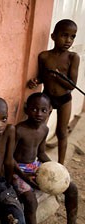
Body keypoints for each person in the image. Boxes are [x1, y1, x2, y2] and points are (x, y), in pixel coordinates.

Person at [13, 92, 78, 224]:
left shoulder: (44, 129)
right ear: (27, 109)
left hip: (34, 167)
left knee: (71, 187)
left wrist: (56, 168)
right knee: (31, 201)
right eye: (34, 109)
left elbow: (41, 153)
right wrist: (24, 177)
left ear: (49, 111)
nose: (39, 114)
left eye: (44, 110)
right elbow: (8, 158)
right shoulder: (19, 130)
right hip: (18, 170)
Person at [28, 19, 80, 165]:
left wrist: (58, 77)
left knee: (62, 132)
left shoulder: (72, 57)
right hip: (47, 98)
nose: (68, 40)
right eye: (64, 35)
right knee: (40, 129)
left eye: (72, 36)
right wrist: (35, 81)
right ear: (53, 36)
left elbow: (72, 85)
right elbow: (42, 77)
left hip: (64, 99)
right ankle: (40, 158)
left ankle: (61, 165)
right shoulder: (44, 56)